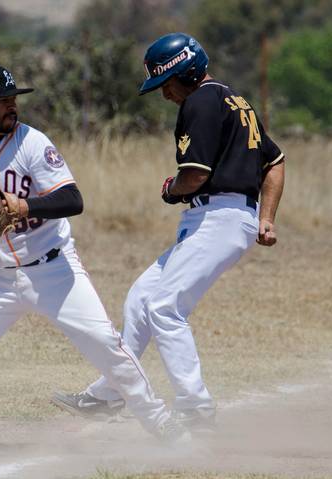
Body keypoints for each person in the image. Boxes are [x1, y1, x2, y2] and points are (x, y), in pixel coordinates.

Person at [0, 64, 186, 455]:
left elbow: (72, 200)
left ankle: (161, 422)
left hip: (54, 269)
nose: (13, 107)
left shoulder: (31, 142)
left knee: (105, 343)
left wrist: (23, 204)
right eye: (3, 101)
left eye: (15, 99)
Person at [52, 33, 285, 430]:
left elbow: (194, 175)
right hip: (225, 217)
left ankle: (195, 406)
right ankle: (109, 394)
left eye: (167, 84)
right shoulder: (234, 99)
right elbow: (275, 161)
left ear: (188, 72)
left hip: (219, 217)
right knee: (141, 299)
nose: (165, 95)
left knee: (164, 307)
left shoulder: (200, 101)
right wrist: (266, 218)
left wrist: (170, 190)